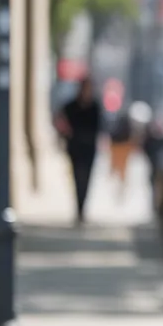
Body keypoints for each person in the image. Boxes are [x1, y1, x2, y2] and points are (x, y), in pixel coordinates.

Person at [54, 76, 102, 225]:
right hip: (75, 148)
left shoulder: (95, 107)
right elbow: (60, 120)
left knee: (86, 179)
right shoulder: (71, 106)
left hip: (89, 149)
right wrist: (65, 133)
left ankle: (82, 208)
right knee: (77, 177)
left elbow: (99, 127)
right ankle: (78, 208)